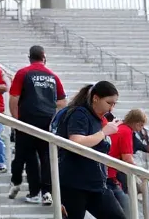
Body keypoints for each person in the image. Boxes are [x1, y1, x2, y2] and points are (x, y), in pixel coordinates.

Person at [54, 80, 126, 219]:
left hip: (96, 184)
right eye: (109, 103)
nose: (111, 108)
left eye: (114, 104)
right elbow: (76, 141)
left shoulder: (97, 119)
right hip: (75, 183)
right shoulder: (80, 113)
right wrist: (104, 133)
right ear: (95, 98)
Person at [8, 45, 68, 205]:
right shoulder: (53, 76)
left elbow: (14, 98)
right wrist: (54, 121)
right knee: (46, 157)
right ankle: (47, 192)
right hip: (47, 121)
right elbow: (62, 103)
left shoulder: (23, 73)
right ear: (44, 58)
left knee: (30, 157)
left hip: (27, 120)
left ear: (30, 57)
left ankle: (34, 192)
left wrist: (16, 120)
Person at [106, 108, 149, 210]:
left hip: (109, 170)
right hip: (111, 173)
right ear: (137, 123)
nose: (141, 129)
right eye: (142, 126)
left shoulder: (120, 126)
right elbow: (127, 158)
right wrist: (140, 172)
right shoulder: (126, 131)